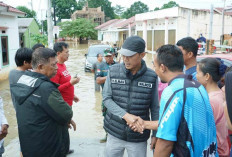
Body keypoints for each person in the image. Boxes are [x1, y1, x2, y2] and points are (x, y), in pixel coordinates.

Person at [131, 45, 218, 156]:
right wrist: (145, 123)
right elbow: (182, 123)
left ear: (162, 67)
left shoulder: (173, 91)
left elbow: (165, 142)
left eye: (155, 65)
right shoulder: (198, 86)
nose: (154, 70)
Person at [10, 48, 74, 157]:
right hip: (48, 146)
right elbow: (66, 113)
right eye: (53, 65)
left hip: (30, 143)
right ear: (40, 67)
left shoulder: (22, 80)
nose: (56, 68)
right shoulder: (46, 88)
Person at [103, 36, 159, 157]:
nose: (125, 59)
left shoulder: (152, 77)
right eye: (123, 55)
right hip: (114, 132)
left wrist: (155, 135)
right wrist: (125, 115)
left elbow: (155, 108)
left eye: (130, 56)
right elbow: (106, 99)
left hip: (138, 137)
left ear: (142, 55)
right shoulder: (113, 71)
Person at [50, 42, 79, 154]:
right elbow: (54, 90)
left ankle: (64, 149)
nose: (68, 54)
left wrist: (73, 96)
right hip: (61, 105)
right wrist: (71, 83)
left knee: (64, 128)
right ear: (58, 53)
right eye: (66, 52)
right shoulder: (55, 68)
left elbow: (64, 84)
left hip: (68, 103)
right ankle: (60, 151)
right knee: (60, 129)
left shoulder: (63, 66)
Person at [196, 58, 229, 156]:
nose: (196, 76)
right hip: (223, 148)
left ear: (207, 76)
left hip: (215, 151)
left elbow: (201, 130)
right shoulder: (221, 94)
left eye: (197, 73)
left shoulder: (210, 100)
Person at [96, 48, 116, 143]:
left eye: (110, 56)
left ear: (113, 55)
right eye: (106, 56)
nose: (108, 58)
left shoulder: (118, 66)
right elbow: (98, 80)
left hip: (117, 96)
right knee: (105, 116)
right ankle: (107, 135)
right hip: (106, 95)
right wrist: (111, 76)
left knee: (117, 116)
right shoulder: (101, 65)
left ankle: (116, 136)